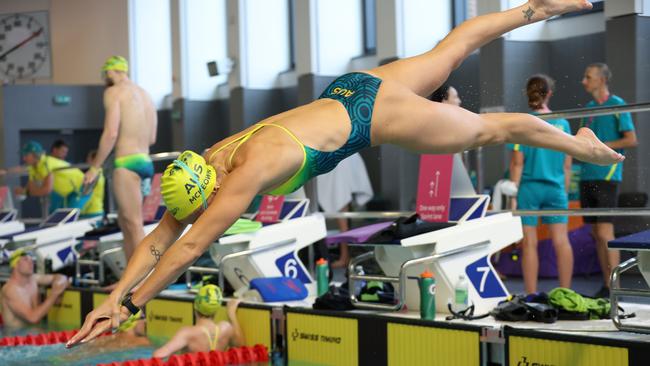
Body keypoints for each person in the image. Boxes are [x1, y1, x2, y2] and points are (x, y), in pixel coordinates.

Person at [68, 0, 623, 346]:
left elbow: (185, 250)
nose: (197, 217)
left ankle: (580, 144)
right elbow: (164, 236)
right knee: (450, 49)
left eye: (199, 210)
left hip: (367, 115)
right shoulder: (210, 158)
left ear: (208, 193)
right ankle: (535, 8)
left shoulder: (245, 175)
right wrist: (114, 297)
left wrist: (134, 305)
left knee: (489, 130)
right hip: (349, 88)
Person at [83, 56, 158, 261]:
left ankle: (145, 278)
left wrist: (94, 167)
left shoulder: (113, 92)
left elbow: (111, 133)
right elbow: (152, 137)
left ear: (109, 72)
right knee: (127, 224)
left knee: (133, 224)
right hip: (145, 162)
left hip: (126, 163)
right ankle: (129, 278)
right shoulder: (146, 95)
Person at [510, 75, 573, 294]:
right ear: (549, 94)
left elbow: (517, 162)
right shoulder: (563, 123)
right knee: (561, 241)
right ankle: (566, 293)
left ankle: (530, 295)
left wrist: (513, 193)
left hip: (529, 188)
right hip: (556, 189)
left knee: (529, 244)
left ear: (528, 94)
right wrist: (563, 191)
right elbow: (567, 164)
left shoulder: (523, 123)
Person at [580, 63, 637, 298]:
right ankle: (607, 285)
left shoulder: (618, 105)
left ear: (602, 79)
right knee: (595, 232)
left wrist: (602, 148)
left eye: (588, 77)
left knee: (605, 231)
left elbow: (631, 139)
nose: (584, 81)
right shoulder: (589, 109)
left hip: (607, 176)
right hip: (586, 176)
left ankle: (616, 287)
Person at [152, 285, 244, 358]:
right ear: (216, 309)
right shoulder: (226, 328)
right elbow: (241, 347)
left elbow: (158, 355)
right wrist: (232, 314)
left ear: (195, 306)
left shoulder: (188, 333)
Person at [14, 141, 100, 215]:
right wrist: (26, 191)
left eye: (26, 155)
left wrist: (27, 192)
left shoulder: (46, 164)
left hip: (82, 186)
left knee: (69, 216)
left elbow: (46, 189)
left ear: (34, 155)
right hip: (69, 191)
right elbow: (31, 187)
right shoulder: (33, 167)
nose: (24, 158)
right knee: (63, 217)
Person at [1, 248, 68, 329]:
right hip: (16, 338)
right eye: (26, 260)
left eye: (31, 260)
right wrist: (54, 294)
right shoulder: (10, 290)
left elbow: (62, 277)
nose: (31, 262)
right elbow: (33, 318)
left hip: (35, 334)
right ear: (15, 265)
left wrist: (58, 284)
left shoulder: (33, 279)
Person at [81, 150, 105, 218]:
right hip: (97, 209)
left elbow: (86, 193)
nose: (87, 161)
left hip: (90, 212)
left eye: (88, 159)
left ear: (94, 160)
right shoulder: (100, 172)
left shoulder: (93, 174)